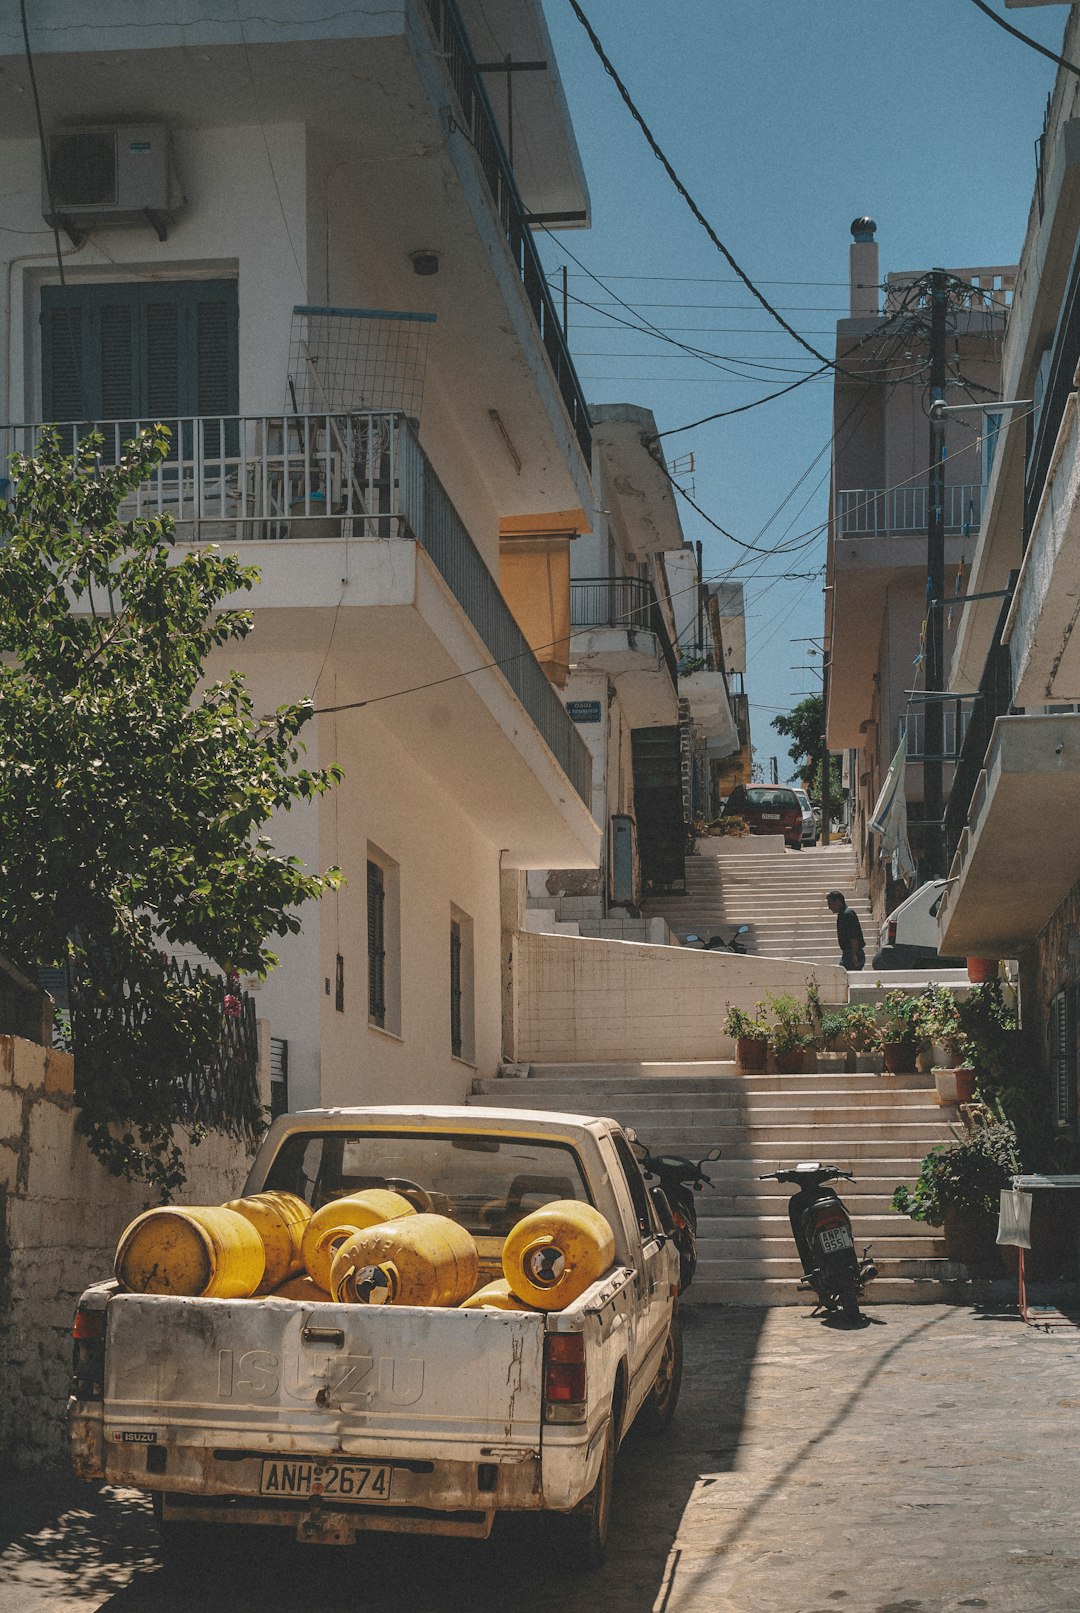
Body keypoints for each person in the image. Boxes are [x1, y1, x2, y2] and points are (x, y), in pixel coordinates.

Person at [826, 890, 865, 971]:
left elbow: (854, 936)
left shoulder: (847, 915)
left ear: (837, 901)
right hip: (848, 953)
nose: (829, 907)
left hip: (853, 953)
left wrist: (854, 955)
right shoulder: (842, 915)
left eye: (830, 904)